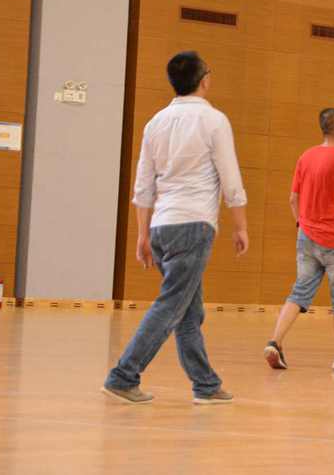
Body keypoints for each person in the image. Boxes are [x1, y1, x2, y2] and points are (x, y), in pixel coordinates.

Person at [103, 51, 248, 405]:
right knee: (171, 305)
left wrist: (143, 234)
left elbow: (143, 185)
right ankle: (123, 376)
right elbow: (231, 180)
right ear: (204, 80)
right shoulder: (214, 121)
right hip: (193, 225)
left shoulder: (155, 122)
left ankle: (206, 385)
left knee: (188, 309)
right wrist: (240, 226)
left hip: (161, 227)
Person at [263, 108, 334, 371]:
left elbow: (293, 199)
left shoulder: (306, 156)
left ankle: (275, 341)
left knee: (300, 292)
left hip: (307, 236)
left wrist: (302, 225)